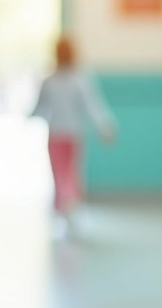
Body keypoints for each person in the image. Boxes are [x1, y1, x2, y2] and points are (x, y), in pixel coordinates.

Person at [31, 36, 116, 226]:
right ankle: (69, 204)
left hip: (56, 134)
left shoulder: (50, 81)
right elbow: (94, 106)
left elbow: (39, 108)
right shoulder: (79, 79)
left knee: (60, 172)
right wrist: (105, 126)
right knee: (70, 171)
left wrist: (27, 117)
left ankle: (64, 205)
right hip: (73, 134)